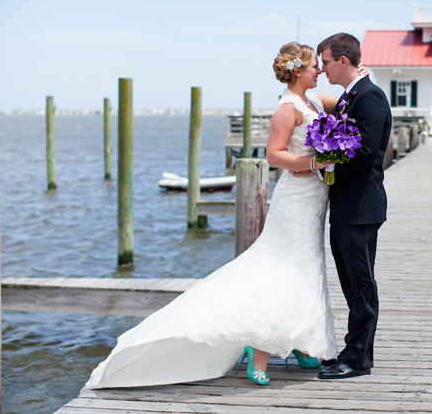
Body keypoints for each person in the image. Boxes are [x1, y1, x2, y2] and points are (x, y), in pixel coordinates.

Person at [84, 42, 343, 389]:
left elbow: (347, 101)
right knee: (281, 268)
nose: (319, 72)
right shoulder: (288, 107)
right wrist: (314, 162)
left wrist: (357, 82)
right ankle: (260, 347)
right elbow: (274, 156)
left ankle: (296, 340)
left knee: (307, 268)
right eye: (314, 67)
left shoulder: (313, 101)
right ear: (298, 70)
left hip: (314, 199)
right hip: (296, 199)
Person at [315, 33, 392, 379]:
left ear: (342, 61)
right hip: (347, 206)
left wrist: (324, 162)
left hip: (361, 206)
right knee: (350, 283)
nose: (322, 68)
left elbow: (364, 153)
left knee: (361, 284)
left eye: (325, 61)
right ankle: (353, 350)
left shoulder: (370, 98)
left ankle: (357, 359)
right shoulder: (351, 96)